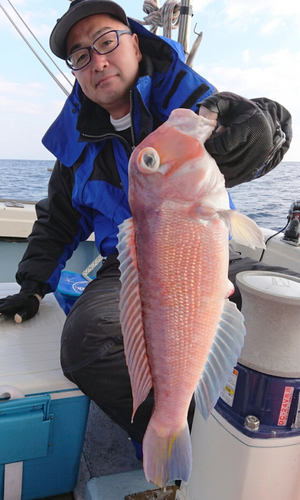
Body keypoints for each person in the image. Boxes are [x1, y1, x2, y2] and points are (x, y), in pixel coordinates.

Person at [0, 0, 292, 445]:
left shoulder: (186, 103)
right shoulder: (74, 144)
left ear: (135, 43)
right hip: (130, 266)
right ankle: (180, 433)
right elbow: (58, 221)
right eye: (80, 56)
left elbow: (250, 126)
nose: (96, 61)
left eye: (105, 40)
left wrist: (266, 127)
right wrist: (30, 286)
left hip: (208, 250)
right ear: (77, 72)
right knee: (87, 343)